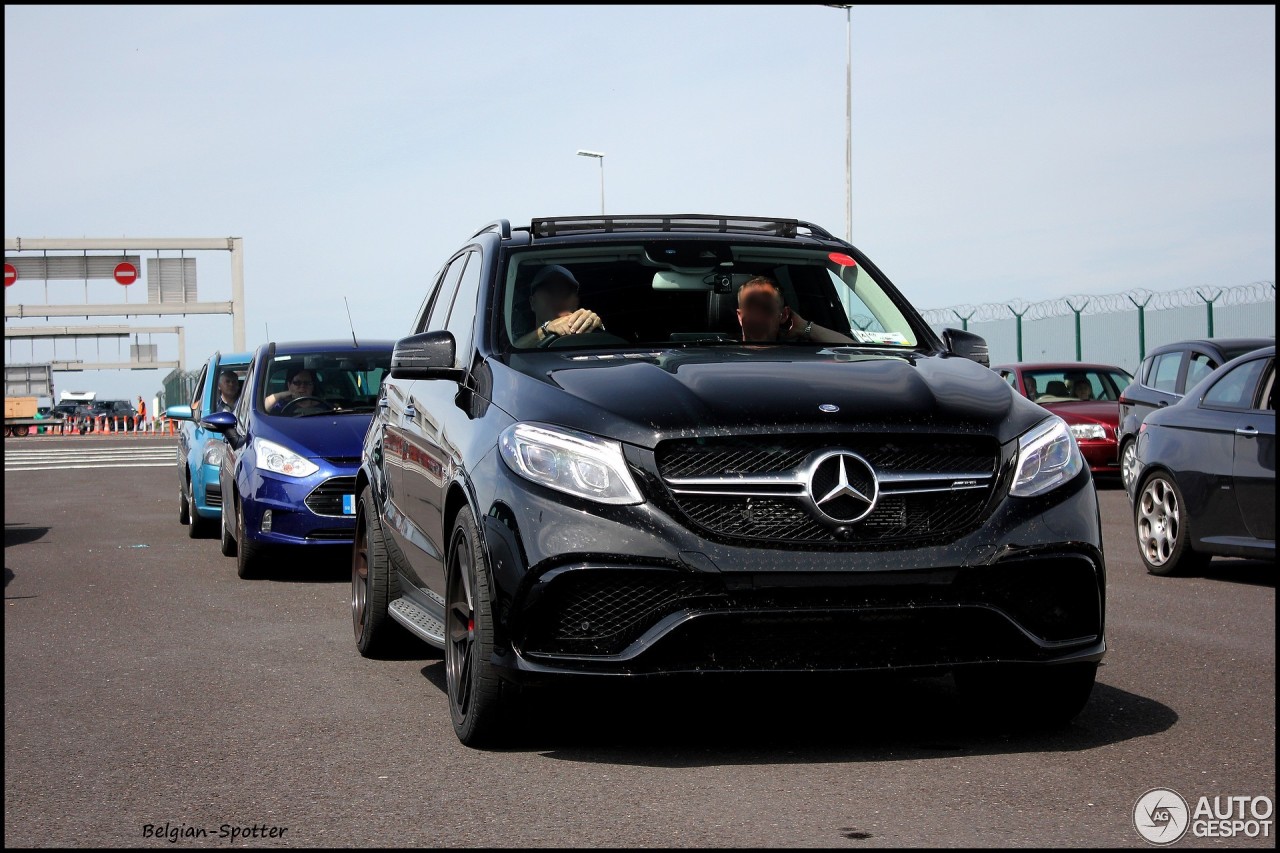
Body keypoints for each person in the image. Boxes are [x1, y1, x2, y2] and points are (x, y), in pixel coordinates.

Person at [736, 275, 855, 344]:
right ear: (740, 316)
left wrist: (804, 328)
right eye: (751, 309)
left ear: (783, 315)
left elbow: (853, 351)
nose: (758, 317)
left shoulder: (797, 355)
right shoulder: (722, 355)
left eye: (767, 309)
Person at [513, 265, 604, 347]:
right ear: (532, 303)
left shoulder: (585, 332)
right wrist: (545, 330)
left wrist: (595, 327)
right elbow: (512, 350)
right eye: (549, 291)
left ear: (576, 302)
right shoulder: (514, 339)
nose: (558, 298)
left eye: (565, 292)